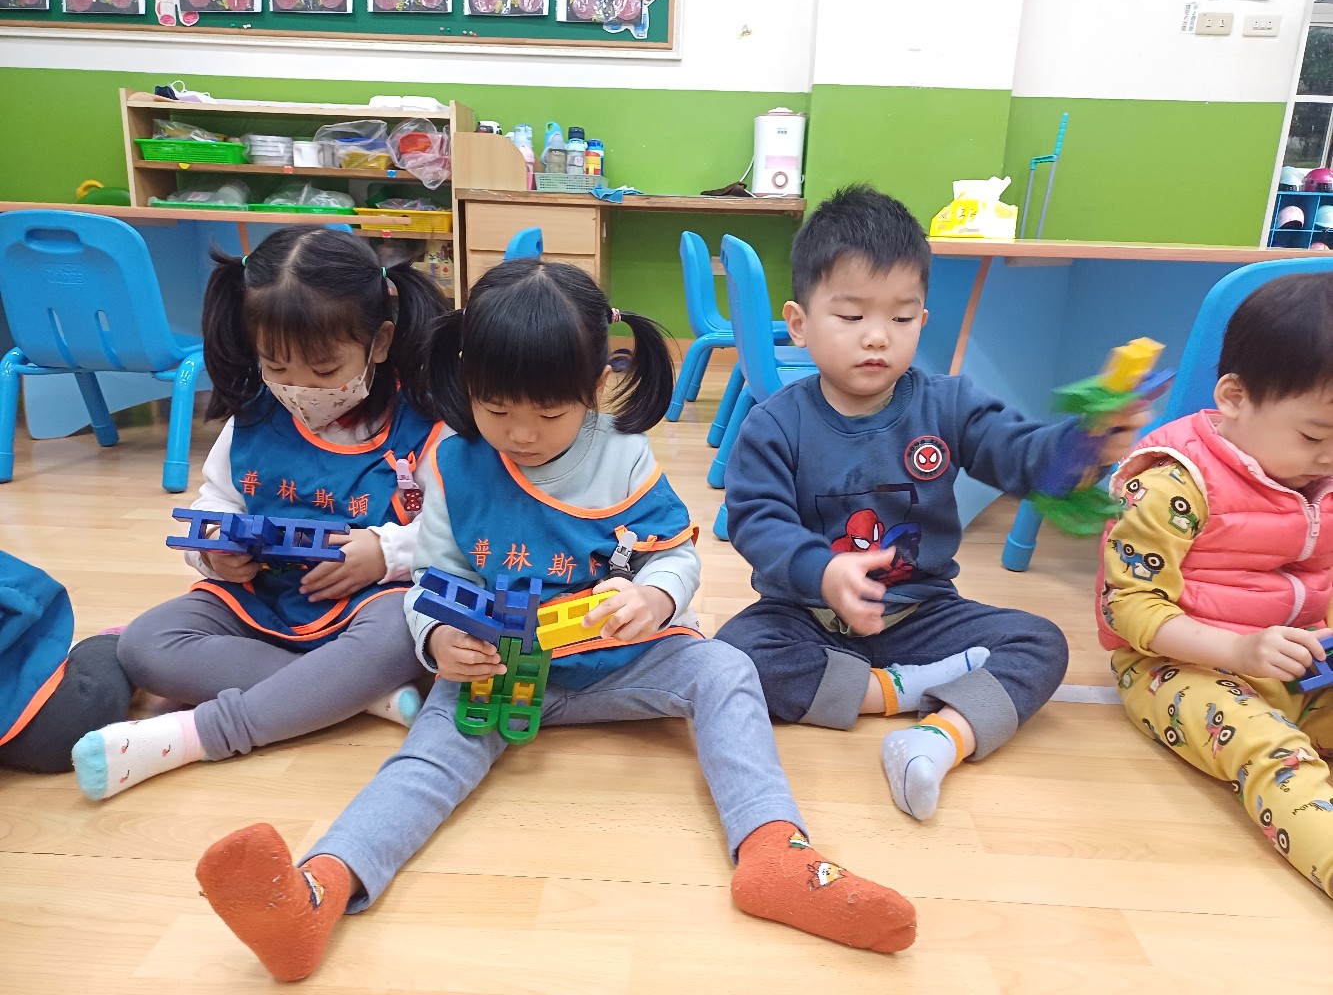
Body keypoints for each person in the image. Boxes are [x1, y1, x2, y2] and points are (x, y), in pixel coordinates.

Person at [193, 259, 917, 983]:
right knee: (424, 761)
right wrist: (440, 637)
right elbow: (433, 579)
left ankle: (773, 851)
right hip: (502, 670)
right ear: (468, 383)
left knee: (725, 668)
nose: (521, 434)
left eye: (548, 414)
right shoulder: (455, 462)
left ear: (595, 386)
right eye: (496, 409)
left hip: (617, 663)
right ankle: (319, 890)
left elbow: (674, 554)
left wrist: (653, 599)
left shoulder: (623, 456)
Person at [715, 185, 1146, 821]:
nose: (877, 338)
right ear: (800, 324)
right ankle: (910, 691)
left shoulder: (948, 404)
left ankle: (938, 737)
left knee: (1041, 643)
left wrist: (1084, 445)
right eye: (851, 316)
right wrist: (824, 572)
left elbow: (1019, 453)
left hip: (922, 615)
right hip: (807, 616)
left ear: (922, 321)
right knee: (734, 655)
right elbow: (758, 522)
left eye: (901, 318)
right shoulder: (774, 425)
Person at [71, 227, 448, 800]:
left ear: (379, 341)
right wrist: (214, 552)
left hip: (367, 604)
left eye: (325, 370)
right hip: (262, 596)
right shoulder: (253, 416)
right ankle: (353, 693)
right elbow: (216, 500)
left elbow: (452, 530)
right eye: (277, 367)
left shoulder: (421, 424)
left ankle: (199, 734)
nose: (300, 388)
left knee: (403, 630)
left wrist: (385, 552)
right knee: (144, 644)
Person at [1099, 271, 1333, 898]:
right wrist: (1238, 650)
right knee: (1270, 750)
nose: (1329, 456)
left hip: (1304, 663)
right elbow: (1129, 609)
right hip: (1180, 667)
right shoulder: (1174, 482)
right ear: (1233, 397)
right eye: (1314, 436)